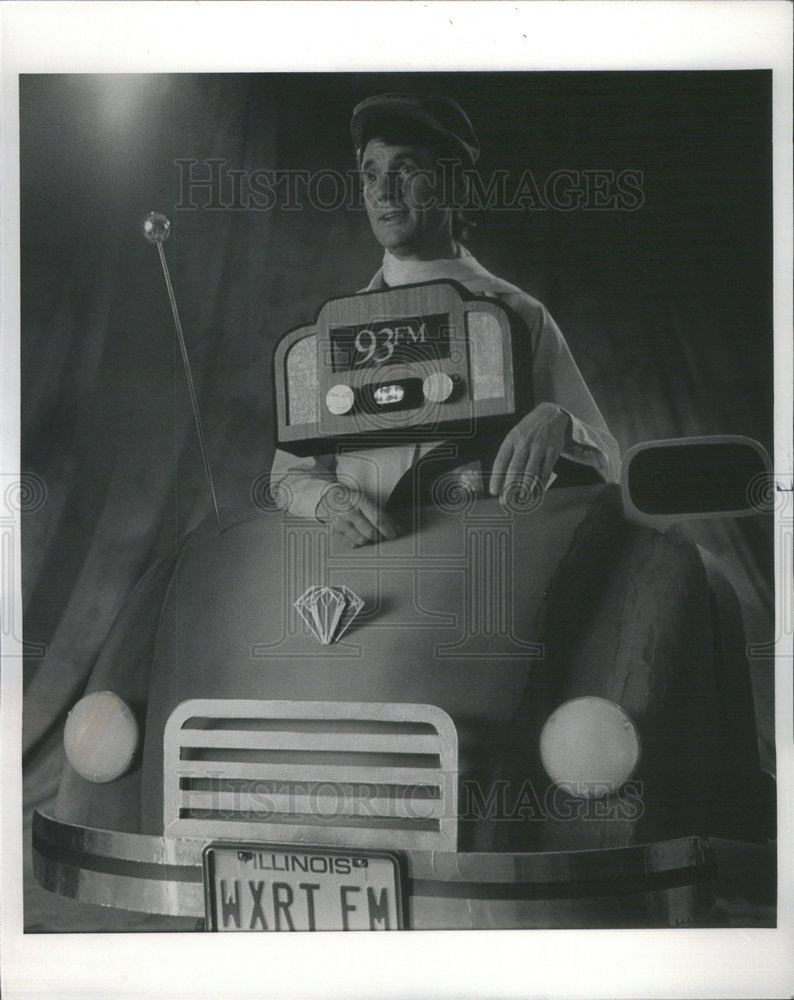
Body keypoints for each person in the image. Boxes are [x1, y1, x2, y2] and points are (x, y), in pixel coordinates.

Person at [270, 93, 620, 547]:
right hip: (370, 578)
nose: (383, 191)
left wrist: (561, 422)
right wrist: (329, 502)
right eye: (370, 174)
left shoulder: (516, 314)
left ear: (453, 186)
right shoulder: (328, 335)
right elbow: (290, 477)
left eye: (406, 169)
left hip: (488, 564)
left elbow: (610, 462)